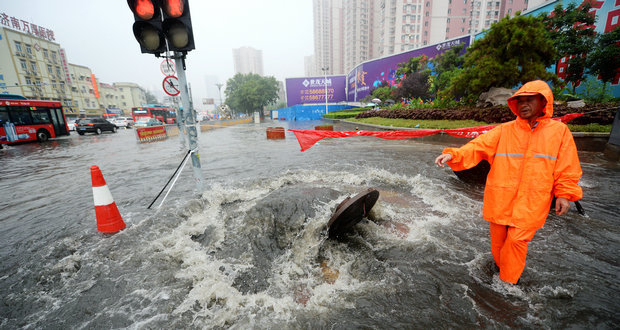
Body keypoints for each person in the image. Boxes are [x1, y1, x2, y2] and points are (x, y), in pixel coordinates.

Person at [434, 80, 583, 284]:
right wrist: (453, 155)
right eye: (520, 101)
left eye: (529, 100)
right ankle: (502, 272)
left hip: (533, 201)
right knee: (498, 244)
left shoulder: (559, 132)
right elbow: (478, 146)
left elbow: (567, 166)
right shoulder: (504, 130)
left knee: (516, 241)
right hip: (500, 198)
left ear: (543, 102)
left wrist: (564, 195)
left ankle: (507, 287)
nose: (523, 104)